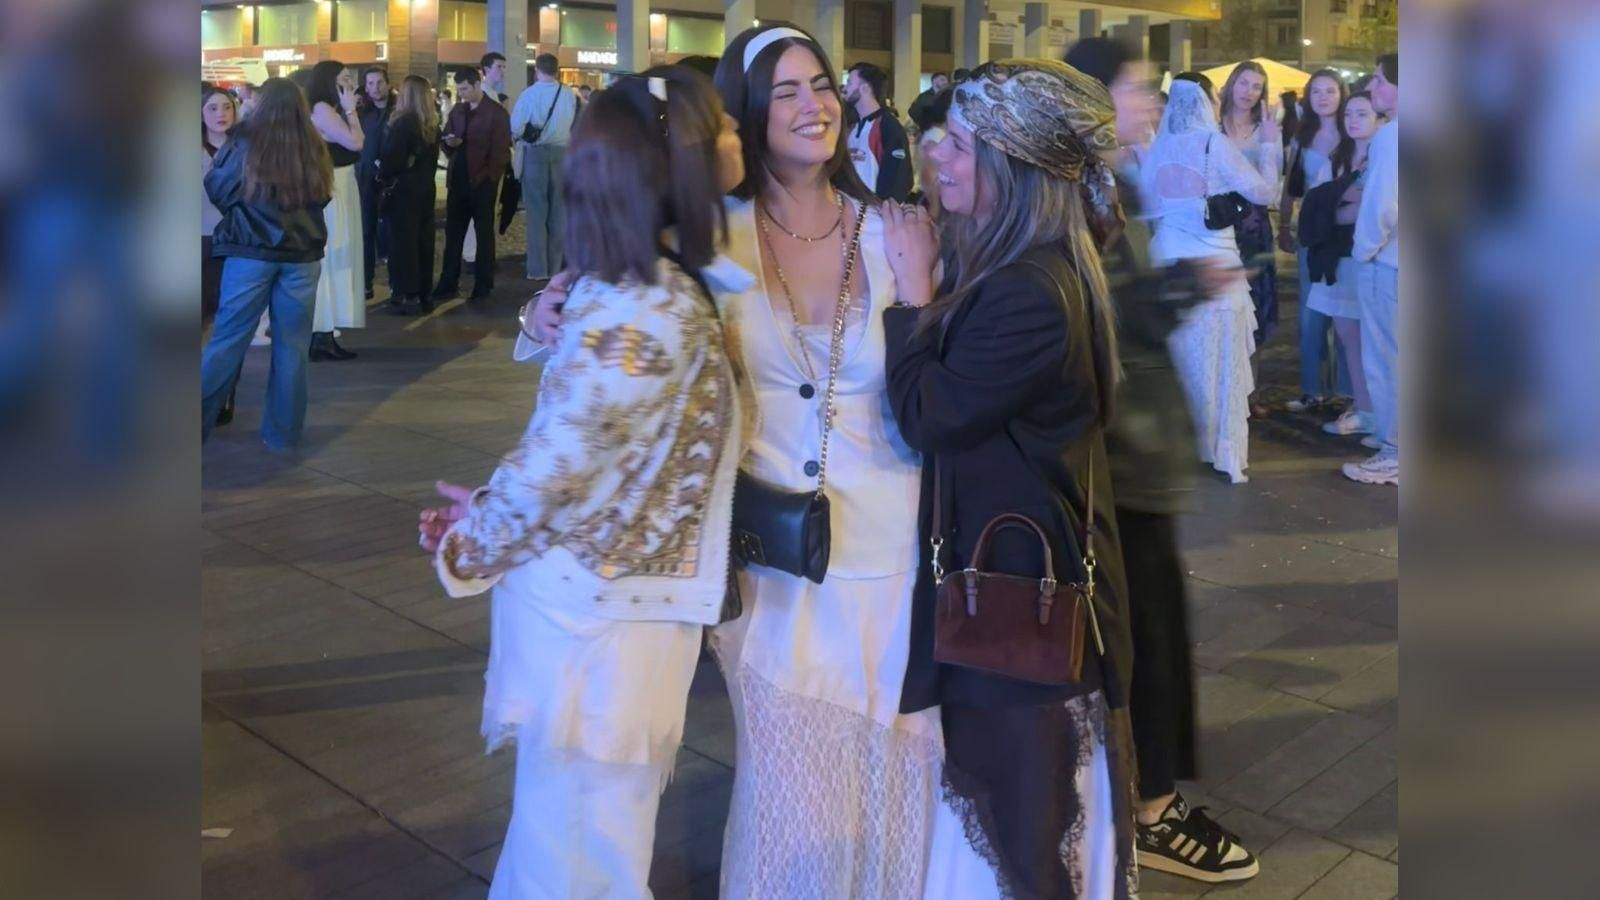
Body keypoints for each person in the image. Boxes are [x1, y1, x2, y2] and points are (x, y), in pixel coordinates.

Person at [417, 65, 745, 900]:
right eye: (722, 130)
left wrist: (485, 524)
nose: (738, 139)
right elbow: (559, 464)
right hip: (603, 623)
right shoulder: (649, 301)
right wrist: (475, 539)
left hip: (606, 611)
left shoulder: (647, 287)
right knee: (582, 853)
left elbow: (571, 456)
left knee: (575, 843)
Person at [885, 57, 1136, 899]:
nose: (936, 158)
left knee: (1026, 833)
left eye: (958, 144)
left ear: (1013, 167)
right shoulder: (1027, 264)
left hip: (1021, 613)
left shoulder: (1030, 290)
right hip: (1019, 597)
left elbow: (929, 415)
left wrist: (911, 296)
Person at [1066, 38, 1263, 885]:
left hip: (1138, 453)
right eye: (1132, 90)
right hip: (1118, 458)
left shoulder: (1111, 187)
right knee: (1143, 634)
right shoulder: (1075, 197)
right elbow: (1096, 322)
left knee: (1151, 631)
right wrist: (1186, 287)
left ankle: (1141, 798)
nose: (1146, 105)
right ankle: (1148, 812)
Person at [1145, 77, 1281, 483]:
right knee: (1217, 361)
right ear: (1207, 101)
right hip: (1214, 266)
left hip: (1167, 263)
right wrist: (1270, 147)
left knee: (1177, 361)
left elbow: (1149, 209)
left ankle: (1174, 446)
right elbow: (1265, 193)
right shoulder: (1213, 143)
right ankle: (1217, 449)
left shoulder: (1159, 146)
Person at [200, 78, 332, 448]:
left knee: (227, 342)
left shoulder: (245, 141)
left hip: (250, 251)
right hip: (302, 254)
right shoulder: (312, 144)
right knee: (292, 348)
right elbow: (322, 195)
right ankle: (283, 433)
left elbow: (218, 187)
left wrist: (243, 211)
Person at [1302, 92, 1382, 448]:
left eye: (1362, 113)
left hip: (1375, 256)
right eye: (1349, 113)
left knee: (1381, 340)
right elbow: (1318, 207)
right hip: (1339, 258)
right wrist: (1343, 203)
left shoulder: (1388, 154)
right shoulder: (1339, 158)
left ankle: (1386, 415)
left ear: (1380, 119)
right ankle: (1365, 410)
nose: (1352, 120)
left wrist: (1342, 203)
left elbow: (1373, 205)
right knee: (1348, 335)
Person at [1279, 69, 1351, 415]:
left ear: (1342, 95)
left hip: (1347, 235)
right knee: (1311, 314)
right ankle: (1312, 389)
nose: (1323, 98)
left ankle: (1348, 392)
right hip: (1311, 232)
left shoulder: (1354, 134)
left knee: (1346, 313)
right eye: (1317, 91)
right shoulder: (1301, 137)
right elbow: (1290, 188)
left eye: (1330, 91)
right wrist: (1282, 226)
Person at [1345, 52, 1399, 486]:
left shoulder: (1393, 136)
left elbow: (1381, 206)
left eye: (1380, 80)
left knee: (1387, 360)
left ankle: (1396, 450)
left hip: (1389, 264)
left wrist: (1364, 251)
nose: (1374, 87)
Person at [1218, 61, 1281, 418]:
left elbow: (1272, 190)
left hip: (1254, 229)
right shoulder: (1212, 124)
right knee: (1221, 308)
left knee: (1255, 309)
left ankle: (1249, 391)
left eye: (1257, 86)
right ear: (1232, 84)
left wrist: (1271, 145)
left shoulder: (1267, 129)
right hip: (1219, 227)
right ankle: (1222, 389)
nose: (1249, 91)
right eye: (1244, 83)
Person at [304, 60, 366, 361]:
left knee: (339, 255)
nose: (349, 85)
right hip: (333, 186)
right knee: (333, 257)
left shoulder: (328, 107)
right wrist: (351, 109)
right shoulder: (322, 108)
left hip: (341, 183)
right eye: (343, 79)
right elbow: (355, 142)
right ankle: (321, 332)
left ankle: (324, 332)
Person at [434, 66, 512, 301]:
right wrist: (449, 144)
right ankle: (448, 281)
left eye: (465, 89)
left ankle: (483, 283)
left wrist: (488, 177)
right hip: (458, 180)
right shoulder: (458, 110)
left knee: (483, 234)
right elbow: (446, 138)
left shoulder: (496, 113)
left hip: (482, 183)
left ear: (477, 85)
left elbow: (500, 151)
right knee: (453, 235)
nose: (462, 94)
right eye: (459, 90)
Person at [377, 76, 443, 316]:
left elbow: (390, 161)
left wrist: (380, 168)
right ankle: (425, 293)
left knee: (402, 243)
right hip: (425, 187)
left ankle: (407, 293)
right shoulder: (432, 124)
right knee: (423, 241)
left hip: (403, 190)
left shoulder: (403, 123)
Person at [510, 54, 578, 281]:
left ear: (537, 70)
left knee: (537, 214)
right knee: (559, 213)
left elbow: (516, 126)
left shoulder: (529, 94)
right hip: (562, 154)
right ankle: (556, 267)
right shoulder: (569, 94)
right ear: (557, 70)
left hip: (536, 155)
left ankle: (538, 269)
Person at [202, 86, 240, 425]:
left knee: (229, 323)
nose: (220, 113)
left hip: (235, 244)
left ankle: (225, 395)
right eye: (212, 107)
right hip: (196, 243)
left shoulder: (246, 149)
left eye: (226, 106)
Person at [844, 62, 914, 202]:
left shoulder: (888, 127)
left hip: (876, 215)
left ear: (864, 88)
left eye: (849, 83)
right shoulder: (851, 127)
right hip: (851, 212)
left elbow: (899, 180)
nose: (845, 88)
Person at [356, 66, 395, 301]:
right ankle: (365, 283)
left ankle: (395, 283)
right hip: (366, 180)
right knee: (366, 232)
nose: (375, 88)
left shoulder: (397, 112)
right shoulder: (362, 114)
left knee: (391, 233)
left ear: (388, 84)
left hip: (391, 181)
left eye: (379, 82)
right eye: (370, 84)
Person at [908, 87, 952, 218]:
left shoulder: (939, 134)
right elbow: (929, 174)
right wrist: (935, 207)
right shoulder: (935, 136)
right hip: (932, 199)